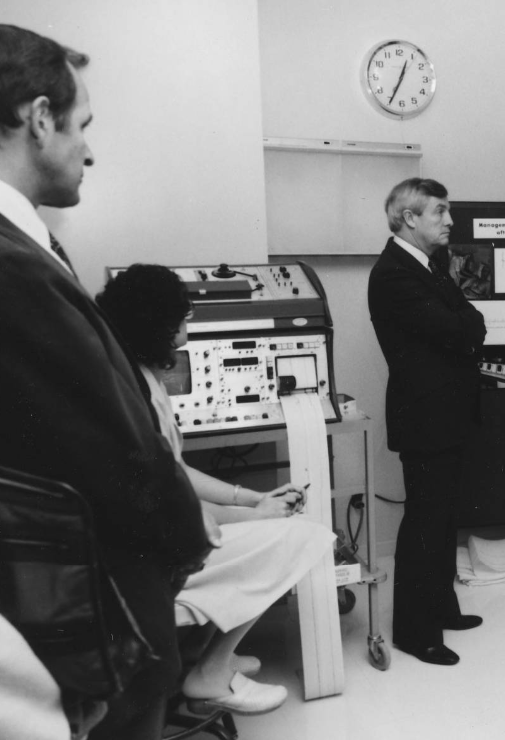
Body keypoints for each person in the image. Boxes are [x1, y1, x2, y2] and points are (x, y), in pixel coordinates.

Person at [0, 25, 212, 740]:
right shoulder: (14, 266)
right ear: (37, 118)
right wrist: (185, 543)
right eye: (81, 124)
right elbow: (110, 442)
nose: (89, 149)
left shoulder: (31, 249)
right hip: (93, 611)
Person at [96, 264, 336, 715]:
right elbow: (175, 501)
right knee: (300, 537)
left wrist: (250, 500)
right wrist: (258, 515)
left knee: (276, 530)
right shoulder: (135, 391)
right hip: (151, 564)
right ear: (157, 325)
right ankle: (211, 673)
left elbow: (176, 470)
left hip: (147, 550)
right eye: (182, 320)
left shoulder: (134, 374)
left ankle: (196, 659)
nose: (188, 328)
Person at [367, 178, 487, 666]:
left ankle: (440, 608)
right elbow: (459, 327)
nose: (450, 221)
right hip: (426, 417)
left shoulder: (428, 264)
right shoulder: (394, 274)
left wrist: (466, 327)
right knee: (424, 522)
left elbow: (470, 323)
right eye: (440, 212)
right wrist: (466, 327)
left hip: (445, 414)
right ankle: (415, 634)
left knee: (442, 518)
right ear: (409, 218)